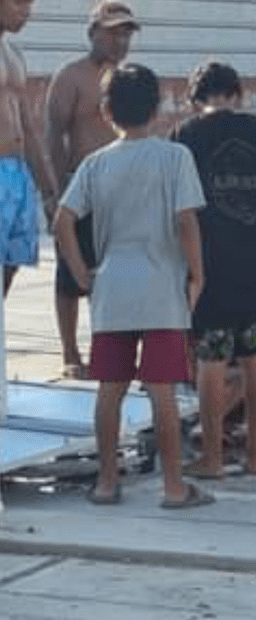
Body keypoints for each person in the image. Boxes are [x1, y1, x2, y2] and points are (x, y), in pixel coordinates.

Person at [54, 63, 210, 508]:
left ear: (106, 112)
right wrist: (197, 275)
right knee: (162, 391)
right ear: (158, 108)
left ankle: (106, 481)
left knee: (110, 389)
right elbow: (186, 221)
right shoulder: (175, 157)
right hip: (162, 288)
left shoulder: (94, 164)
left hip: (112, 289)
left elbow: (63, 220)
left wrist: (83, 273)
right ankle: (175, 488)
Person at [169, 61, 256, 478]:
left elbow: (179, 211)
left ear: (192, 99)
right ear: (238, 95)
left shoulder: (185, 136)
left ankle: (213, 457)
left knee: (212, 357)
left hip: (207, 264)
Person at [43, 1, 139, 379]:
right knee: (71, 274)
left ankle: (112, 350)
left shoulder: (130, 79)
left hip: (124, 191)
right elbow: (52, 137)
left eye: (126, 33)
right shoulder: (71, 76)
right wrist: (55, 193)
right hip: (80, 189)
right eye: (113, 32)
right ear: (93, 32)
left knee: (119, 275)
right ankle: (70, 352)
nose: (120, 40)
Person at [1, 0, 57, 296]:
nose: (26, 11)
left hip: (19, 173)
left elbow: (30, 127)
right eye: (19, 2)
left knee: (12, 262)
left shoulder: (14, 54)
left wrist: (49, 192)